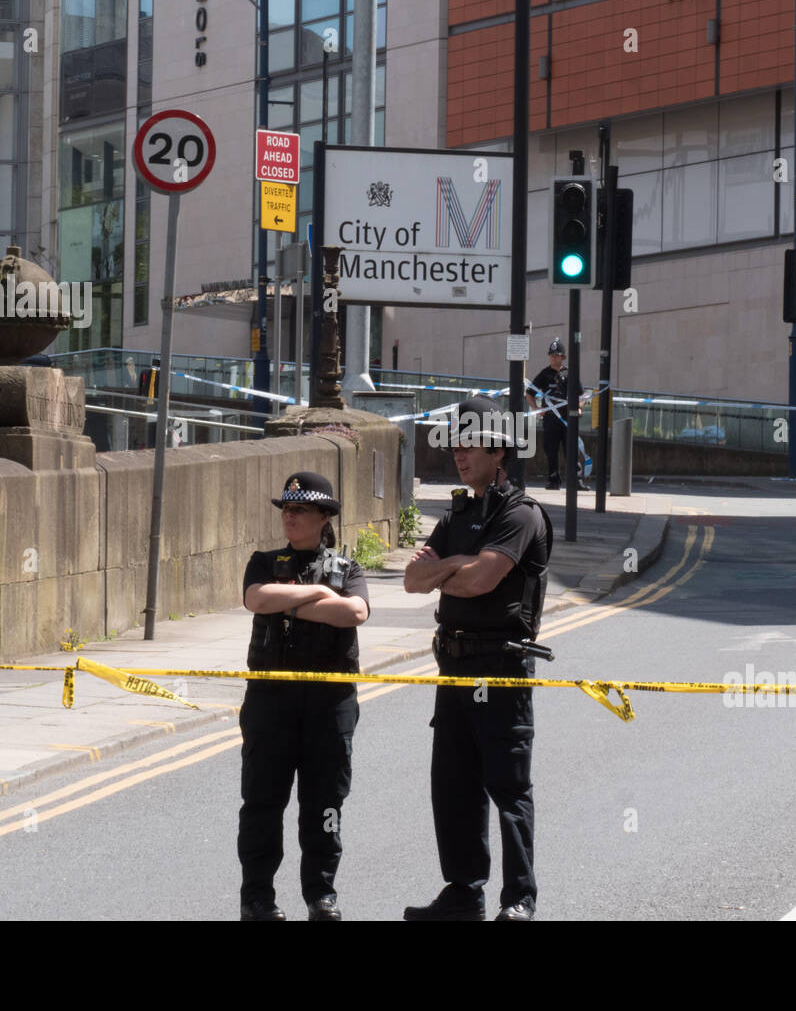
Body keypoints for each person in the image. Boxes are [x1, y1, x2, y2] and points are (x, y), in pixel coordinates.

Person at [403, 396, 554, 922]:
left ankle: (518, 900)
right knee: (453, 785)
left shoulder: (521, 514)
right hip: (454, 666)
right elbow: (411, 580)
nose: (459, 455)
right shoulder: (459, 512)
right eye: (456, 445)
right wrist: (451, 568)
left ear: (498, 450)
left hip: (502, 667)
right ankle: (464, 892)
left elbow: (485, 578)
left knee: (508, 788)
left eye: (469, 444)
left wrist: (446, 567)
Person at [239, 471, 370, 922]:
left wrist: (289, 600)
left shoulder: (347, 569)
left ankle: (321, 894)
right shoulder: (263, 560)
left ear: (324, 517)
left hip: (328, 704)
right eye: (286, 509)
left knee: (324, 804)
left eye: (300, 510)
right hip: (271, 700)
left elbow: (353, 611)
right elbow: (256, 598)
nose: (290, 517)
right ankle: (257, 897)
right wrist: (315, 595)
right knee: (262, 803)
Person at [525, 338, 587, 490]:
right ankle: (553, 481)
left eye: (556, 355)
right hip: (551, 419)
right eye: (551, 355)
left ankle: (576, 481)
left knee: (572, 450)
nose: (553, 357)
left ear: (562, 357)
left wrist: (579, 407)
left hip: (568, 419)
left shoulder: (570, 374)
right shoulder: (544, 374)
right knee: (551, 451)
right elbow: (529, 393)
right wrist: (536, 409)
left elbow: (582, 395)